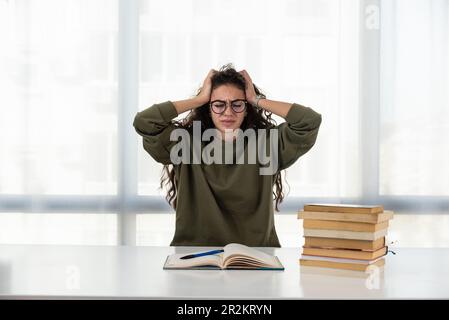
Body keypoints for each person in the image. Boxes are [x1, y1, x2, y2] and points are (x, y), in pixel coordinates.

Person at [133, 64, 322, 247]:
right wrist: (198, 100)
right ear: (208, 107)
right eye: (218, 104)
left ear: (246, 107)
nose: (228, 112)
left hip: (255, 258)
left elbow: (309, 121)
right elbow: (145, 122)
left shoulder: (267, 144)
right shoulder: (185, 143)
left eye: (237, 104)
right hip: (193, 256)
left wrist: (256, 99)